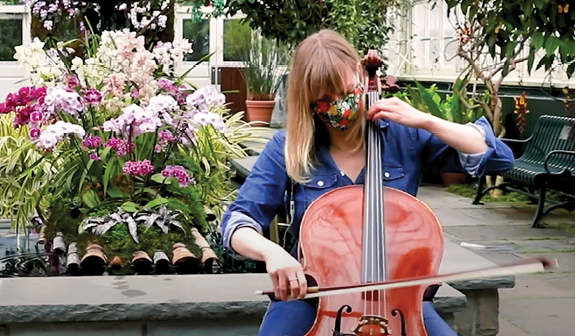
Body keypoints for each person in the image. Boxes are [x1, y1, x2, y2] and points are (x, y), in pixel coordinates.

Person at [221, 29, 515, 336]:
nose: (338, 105)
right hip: (312, 300)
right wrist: (273, 253)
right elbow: (237, 222)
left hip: (399, 302)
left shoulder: (404, 136)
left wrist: (427, 120)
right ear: (307, 100)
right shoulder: (288, 147)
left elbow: (498, 159)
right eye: (324, 99)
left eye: (346, 92)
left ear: (362, 78)